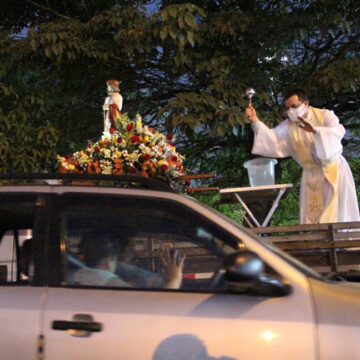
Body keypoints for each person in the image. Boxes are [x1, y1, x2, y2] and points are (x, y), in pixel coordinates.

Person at [245, 89, 360, 224]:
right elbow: (272, 139)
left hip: (334, 170)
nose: (290, 111)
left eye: (294, 106)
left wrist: (316, 131)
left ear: (306, 104)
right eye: (287, 108)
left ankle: (342, 243)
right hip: (310, 174)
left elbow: (338, 131)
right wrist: (255, 121)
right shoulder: (288, 126)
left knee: (338, 213)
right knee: (312, 216)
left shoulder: (325, 115)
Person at [73, 233, 185, 289]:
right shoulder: (109, 282)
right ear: (108, 261)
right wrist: (175, 279)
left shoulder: (78, 275)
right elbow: (156, 306)